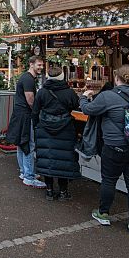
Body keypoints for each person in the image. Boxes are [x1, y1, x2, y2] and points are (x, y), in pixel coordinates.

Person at [80, 64, 129, 239]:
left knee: (109, 180)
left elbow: (87, 110)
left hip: (115, 146)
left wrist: (84, 97)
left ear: (116, 78)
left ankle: (104, 213)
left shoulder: (109, 96)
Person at [32, 66, 80, 201]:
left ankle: (49, 191)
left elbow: (35, 111)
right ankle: (63, 192)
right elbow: (76, 106)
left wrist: (36, 126)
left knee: (47, 159)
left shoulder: (42, 92)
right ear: (62, 76)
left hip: (45, 128)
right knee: (64, 160)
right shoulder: (69, 92)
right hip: (65, 128)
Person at [6, 56, 46, 189]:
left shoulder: (26, 78)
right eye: (39, 65)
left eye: (42, 65)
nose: (41, 67)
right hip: (25, 116)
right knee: (29, 144)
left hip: (20, 115)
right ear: (31, 64)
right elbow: (30, 100)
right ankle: (29, 176)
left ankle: (24, 172)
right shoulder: (28, 79)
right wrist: (37, 113)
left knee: (21, 144)